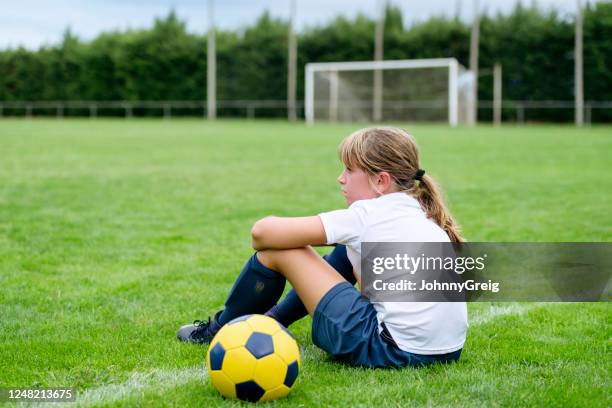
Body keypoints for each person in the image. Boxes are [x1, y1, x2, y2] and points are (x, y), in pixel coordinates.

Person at [177, 127, 468, 368]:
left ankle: (219, 330)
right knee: (346, 249)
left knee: (279, 249)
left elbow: (261, 233)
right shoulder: (420, 212)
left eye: (349, 170)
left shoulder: (367, 216)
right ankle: (274, 321)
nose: (341, 179)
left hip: (390, 351)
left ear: (381, 181)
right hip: (445, 352)